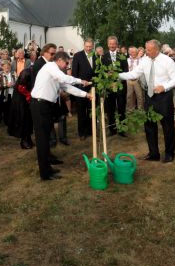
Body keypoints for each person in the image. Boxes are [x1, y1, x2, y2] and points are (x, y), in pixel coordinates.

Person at [30, 51, 92, 180]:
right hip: (40, 105)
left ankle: (48, 166)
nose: (67, 66)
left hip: (46, 106)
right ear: (59, 60)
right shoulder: (50, 67)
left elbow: (67, 87)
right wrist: (80, 81)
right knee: (42, 140)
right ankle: (45, 173)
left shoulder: (57, 72)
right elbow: (65, 79)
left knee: (46, 137)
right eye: (66, 63)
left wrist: (86, 95)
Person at [119, 39, 175, 163]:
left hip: (164, 97)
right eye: (146, 49)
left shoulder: (167, 61)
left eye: (149, 50)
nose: (146, 52)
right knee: (149, 125)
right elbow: (134, 74)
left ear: (156, 50)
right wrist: (117, 75)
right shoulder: (145, 61)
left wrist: (164, 87)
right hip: (149, 96)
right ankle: (153, 153)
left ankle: (169, 153)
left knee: (167, 126)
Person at [101, 36, 128, 135]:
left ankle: (122, 129)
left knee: (121, 108)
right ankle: (112, 129)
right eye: (110, 44)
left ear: (117, 44)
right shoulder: (103, 57)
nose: (112, 45)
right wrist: (106, 75)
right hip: (109, 87)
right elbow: (101, 72)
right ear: (108, 44)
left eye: (114, 44)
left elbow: (126, 71)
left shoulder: (122, 56)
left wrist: (118, 80)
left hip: (120, 86)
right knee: (110, 109)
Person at [71, 38, 96, 140]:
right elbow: (74, 73)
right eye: (87, 46)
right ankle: (82, 132)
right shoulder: (78, 56)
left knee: (92, 110)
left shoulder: (96, 56)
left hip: (93, 88)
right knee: (81, 111)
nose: (88, 48)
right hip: (81, 88)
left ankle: (91, 130)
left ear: (93, 46)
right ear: (84, 46)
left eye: (90, 46)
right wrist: (79, 83)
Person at [126, 46, 144, 112]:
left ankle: (140, 110)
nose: (133, 53)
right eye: (131, 52)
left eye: (134, 52)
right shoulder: (127, 60)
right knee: (129, 95)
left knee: (139, 95)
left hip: (137, 80)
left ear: (137, 52)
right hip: (129, 80)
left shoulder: (141, 60)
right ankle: (130, 109)